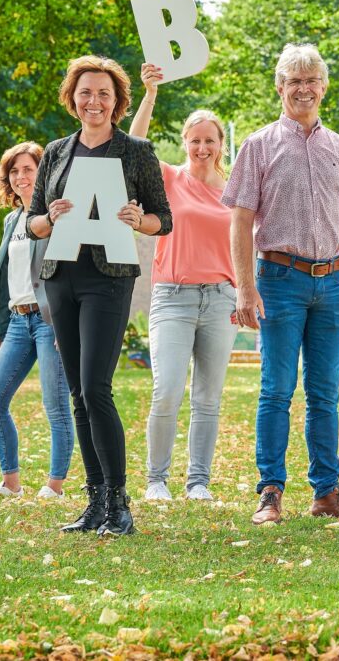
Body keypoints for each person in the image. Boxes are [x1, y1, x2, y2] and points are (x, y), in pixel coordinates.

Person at [223, 42, 339, 525]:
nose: (304, 88)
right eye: (295, 81)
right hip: (280, 280)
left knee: (325, 392)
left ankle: (327, 492)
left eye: (312, 81)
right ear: (280, 88)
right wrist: (245, 288)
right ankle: (270, 491)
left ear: (324, 87)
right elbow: (240, 219)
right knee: (276, 389)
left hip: (333, 283)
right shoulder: (258, 145)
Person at [27, 55, 172, 535]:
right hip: (60, 275)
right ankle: (94, 504)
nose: (94, 101)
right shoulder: (55, 152)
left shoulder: (136, 151)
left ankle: (119, 502)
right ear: (73, 98)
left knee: (96, 389)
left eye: (104, 93)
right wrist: (51, 217)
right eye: (86, 92)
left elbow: (162, 219)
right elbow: (33, 222)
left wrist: (139, 220)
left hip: (108, 278)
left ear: (118, 102)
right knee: (77, 395)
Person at [130, 63, 238, 503]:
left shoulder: (234, 190)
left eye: (209, 140)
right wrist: (150, 94)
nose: (202, 147)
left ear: (220, 144)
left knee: (208, 398)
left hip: (220, 300)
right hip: (172, 297)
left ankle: (198, 482)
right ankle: (157, 479)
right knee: (168, 389)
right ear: (185, 144)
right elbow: (135, 146)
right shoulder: (171, 179)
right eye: (194, 140)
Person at [0, 142, 74, 499]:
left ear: (43, 172)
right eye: (14, 171)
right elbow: (7, 277)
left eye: (28, 168)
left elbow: (68, 270)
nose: (21, 176)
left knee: (55, 405)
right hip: (18, 322)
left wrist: (66, 322)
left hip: (50, 321)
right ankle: (11, 482)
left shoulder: (57, 215)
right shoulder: (11, 220)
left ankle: (55, 486)